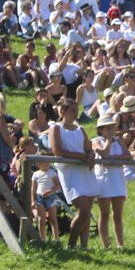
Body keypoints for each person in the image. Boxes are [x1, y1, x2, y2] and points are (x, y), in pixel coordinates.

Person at [49, 99, 98, 249]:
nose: (75, 114)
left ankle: (84, 246)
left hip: (85, 172)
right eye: (72, 110)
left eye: (76, 111)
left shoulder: (80, 129)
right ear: (62, 112)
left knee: (87, 211)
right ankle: (71, 245)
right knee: (83, 210)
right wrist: (81, 157)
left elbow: (88, 148)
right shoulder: (56, 128)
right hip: (70, 172)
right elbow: (57, 151)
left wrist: (90, 155)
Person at [92, 113, 128, 249]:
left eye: (111, 127)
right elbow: (103, 153)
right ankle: (106, 245)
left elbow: (128, 155)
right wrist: (108, 140)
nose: (111, 130)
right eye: (107, 128)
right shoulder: (96, 140)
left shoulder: (118, 140)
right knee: (104, 213)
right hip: (103, 178)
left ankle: (120, 244)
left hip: (117, 178)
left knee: (118, 214)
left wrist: (114, 160)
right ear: (101, 129)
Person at [30, 150, 61, 241]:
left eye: (48, 161)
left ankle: (56, 238)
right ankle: (42, 238)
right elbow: (33, 188)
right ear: (38, 163)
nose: (48, 163)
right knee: (41, 219)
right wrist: (33, 200)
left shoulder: (52, 172)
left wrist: (50, 191)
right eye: (45, 161)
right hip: (40, 198)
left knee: (53, 219)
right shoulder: (36, 174)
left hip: (50, 198)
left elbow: (58, 185)